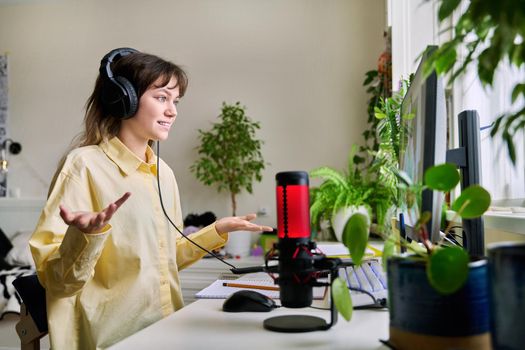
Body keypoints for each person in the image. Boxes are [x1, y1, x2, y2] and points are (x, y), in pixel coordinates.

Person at [29, 48, 273, 350]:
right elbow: (56, 282)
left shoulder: (163, 174)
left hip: (165, 331)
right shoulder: (82, 166)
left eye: (175, 101)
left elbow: (162, 259)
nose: (173, 111)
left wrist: (217, 231)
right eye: (161, 98)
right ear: (124, 99)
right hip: (110, 339)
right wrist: (85, 236)